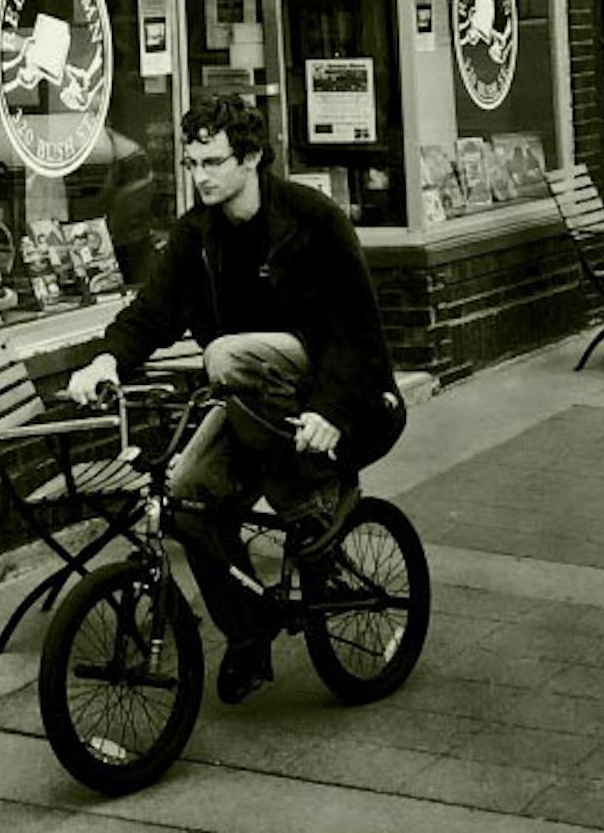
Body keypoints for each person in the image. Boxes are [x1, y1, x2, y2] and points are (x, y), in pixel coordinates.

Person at [64, 96, 405, 705]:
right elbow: (151, 312)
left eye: (214, 162)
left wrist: (329, 411)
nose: (201, 177)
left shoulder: (313, 219)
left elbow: (358, 333)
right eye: (192, 163)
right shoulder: (197, 236)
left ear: (251, 157)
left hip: (340, 398)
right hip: (257, 406)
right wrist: (106, 359)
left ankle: (310, 496)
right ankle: (249, 633)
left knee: (222, 356)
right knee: (186, 496)